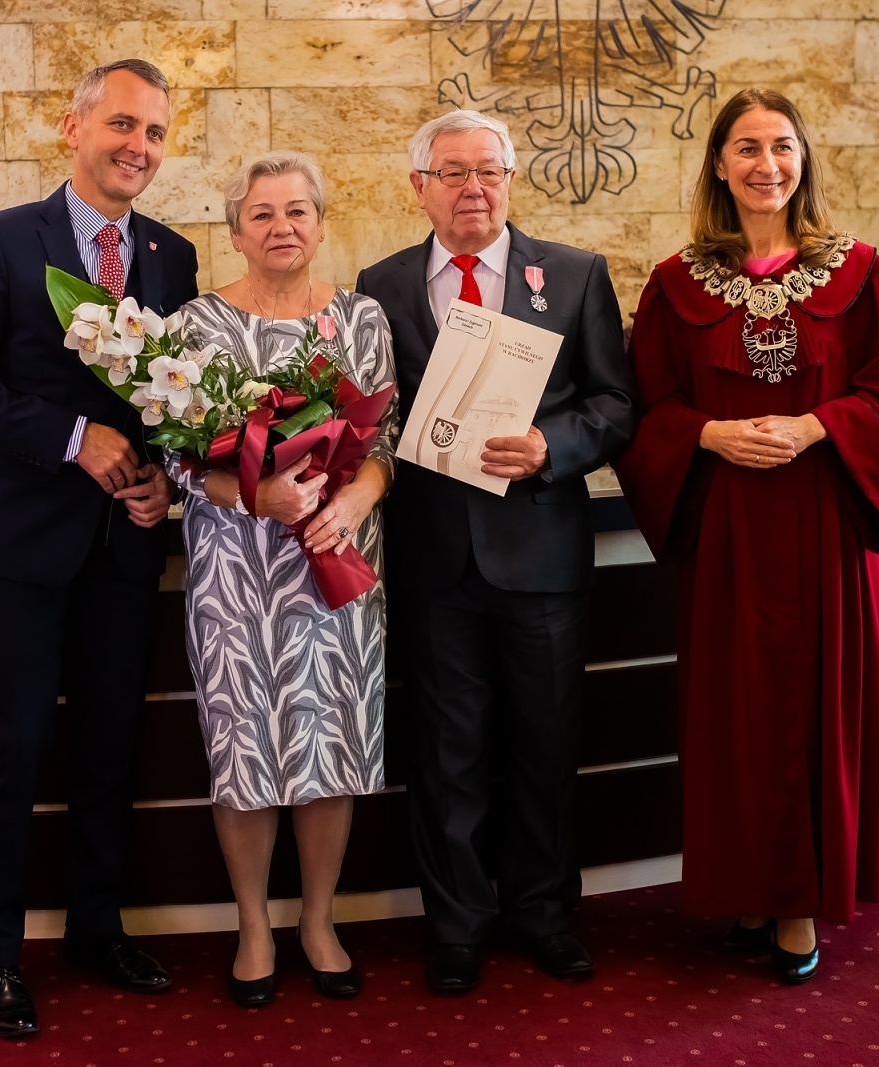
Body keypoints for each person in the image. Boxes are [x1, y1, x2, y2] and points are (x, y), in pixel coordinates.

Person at [615, 88, 879, 985]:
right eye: (747, 148)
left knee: (812, 705)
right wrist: (707, 434)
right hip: (724, 529)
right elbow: (644, 412)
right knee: (734, 712)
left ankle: (799, 903)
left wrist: (817, 426)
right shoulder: (676, 285)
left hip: (826, 526)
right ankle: (747, 885)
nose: (767, 165)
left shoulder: (861, 273)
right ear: (718, 163)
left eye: (782, 147)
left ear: (805, 159)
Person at [0, 58, 200, 1038]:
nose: (139, 146)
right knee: (13, 749)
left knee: (110, 749)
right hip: (22, 548)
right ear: (71, 126)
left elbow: (173, 403)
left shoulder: (172, 256)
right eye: (123, 124)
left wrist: (163, 474)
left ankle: (95, 926)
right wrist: (76, 439)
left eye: (157, 133)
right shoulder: (1, 242)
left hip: (126, 551)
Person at [356, 111, 635, 995]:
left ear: (512, 179)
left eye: (489, 170)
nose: (473, 187)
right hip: (435, 561)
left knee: (546, 746)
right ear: (420, 187)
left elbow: (615, 405)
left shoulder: (577, 275)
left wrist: (554, 447)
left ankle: (545, 912)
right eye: (452, 172)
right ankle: (458, 922)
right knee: (448, 750)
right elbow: (373, 416)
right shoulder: (382, 285)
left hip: (543, 553)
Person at [166, 151, 398, 1007]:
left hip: (334, 562)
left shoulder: (362, 318)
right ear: (234, 231)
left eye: (297, 212)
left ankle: (319, 919)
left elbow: (386, 443)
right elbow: (181, 458)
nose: (281, 228)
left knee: (329, 740)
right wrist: (255, 494)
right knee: (245, 746)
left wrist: (361, 500)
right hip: (235, 566)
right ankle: (256, 922)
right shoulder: (196, 326)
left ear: (322, 223)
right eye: (261, 214)